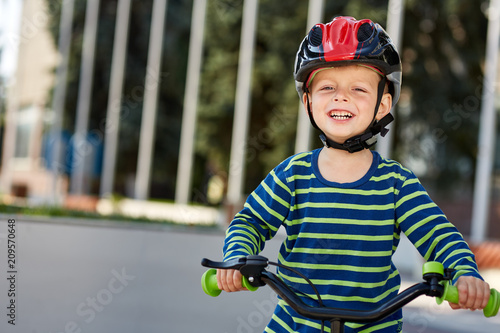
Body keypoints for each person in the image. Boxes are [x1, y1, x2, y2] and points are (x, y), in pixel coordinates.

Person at [216, 16, 490, 332]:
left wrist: (465, 274)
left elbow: (438, 236)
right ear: (307, 100)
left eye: (358, 88)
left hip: (374, 326)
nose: (340, 96)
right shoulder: (292, 175)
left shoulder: (395, 184)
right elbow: (251, 221)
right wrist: (237, 257)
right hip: (294, 324)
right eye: (327, 86)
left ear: (383, 104)